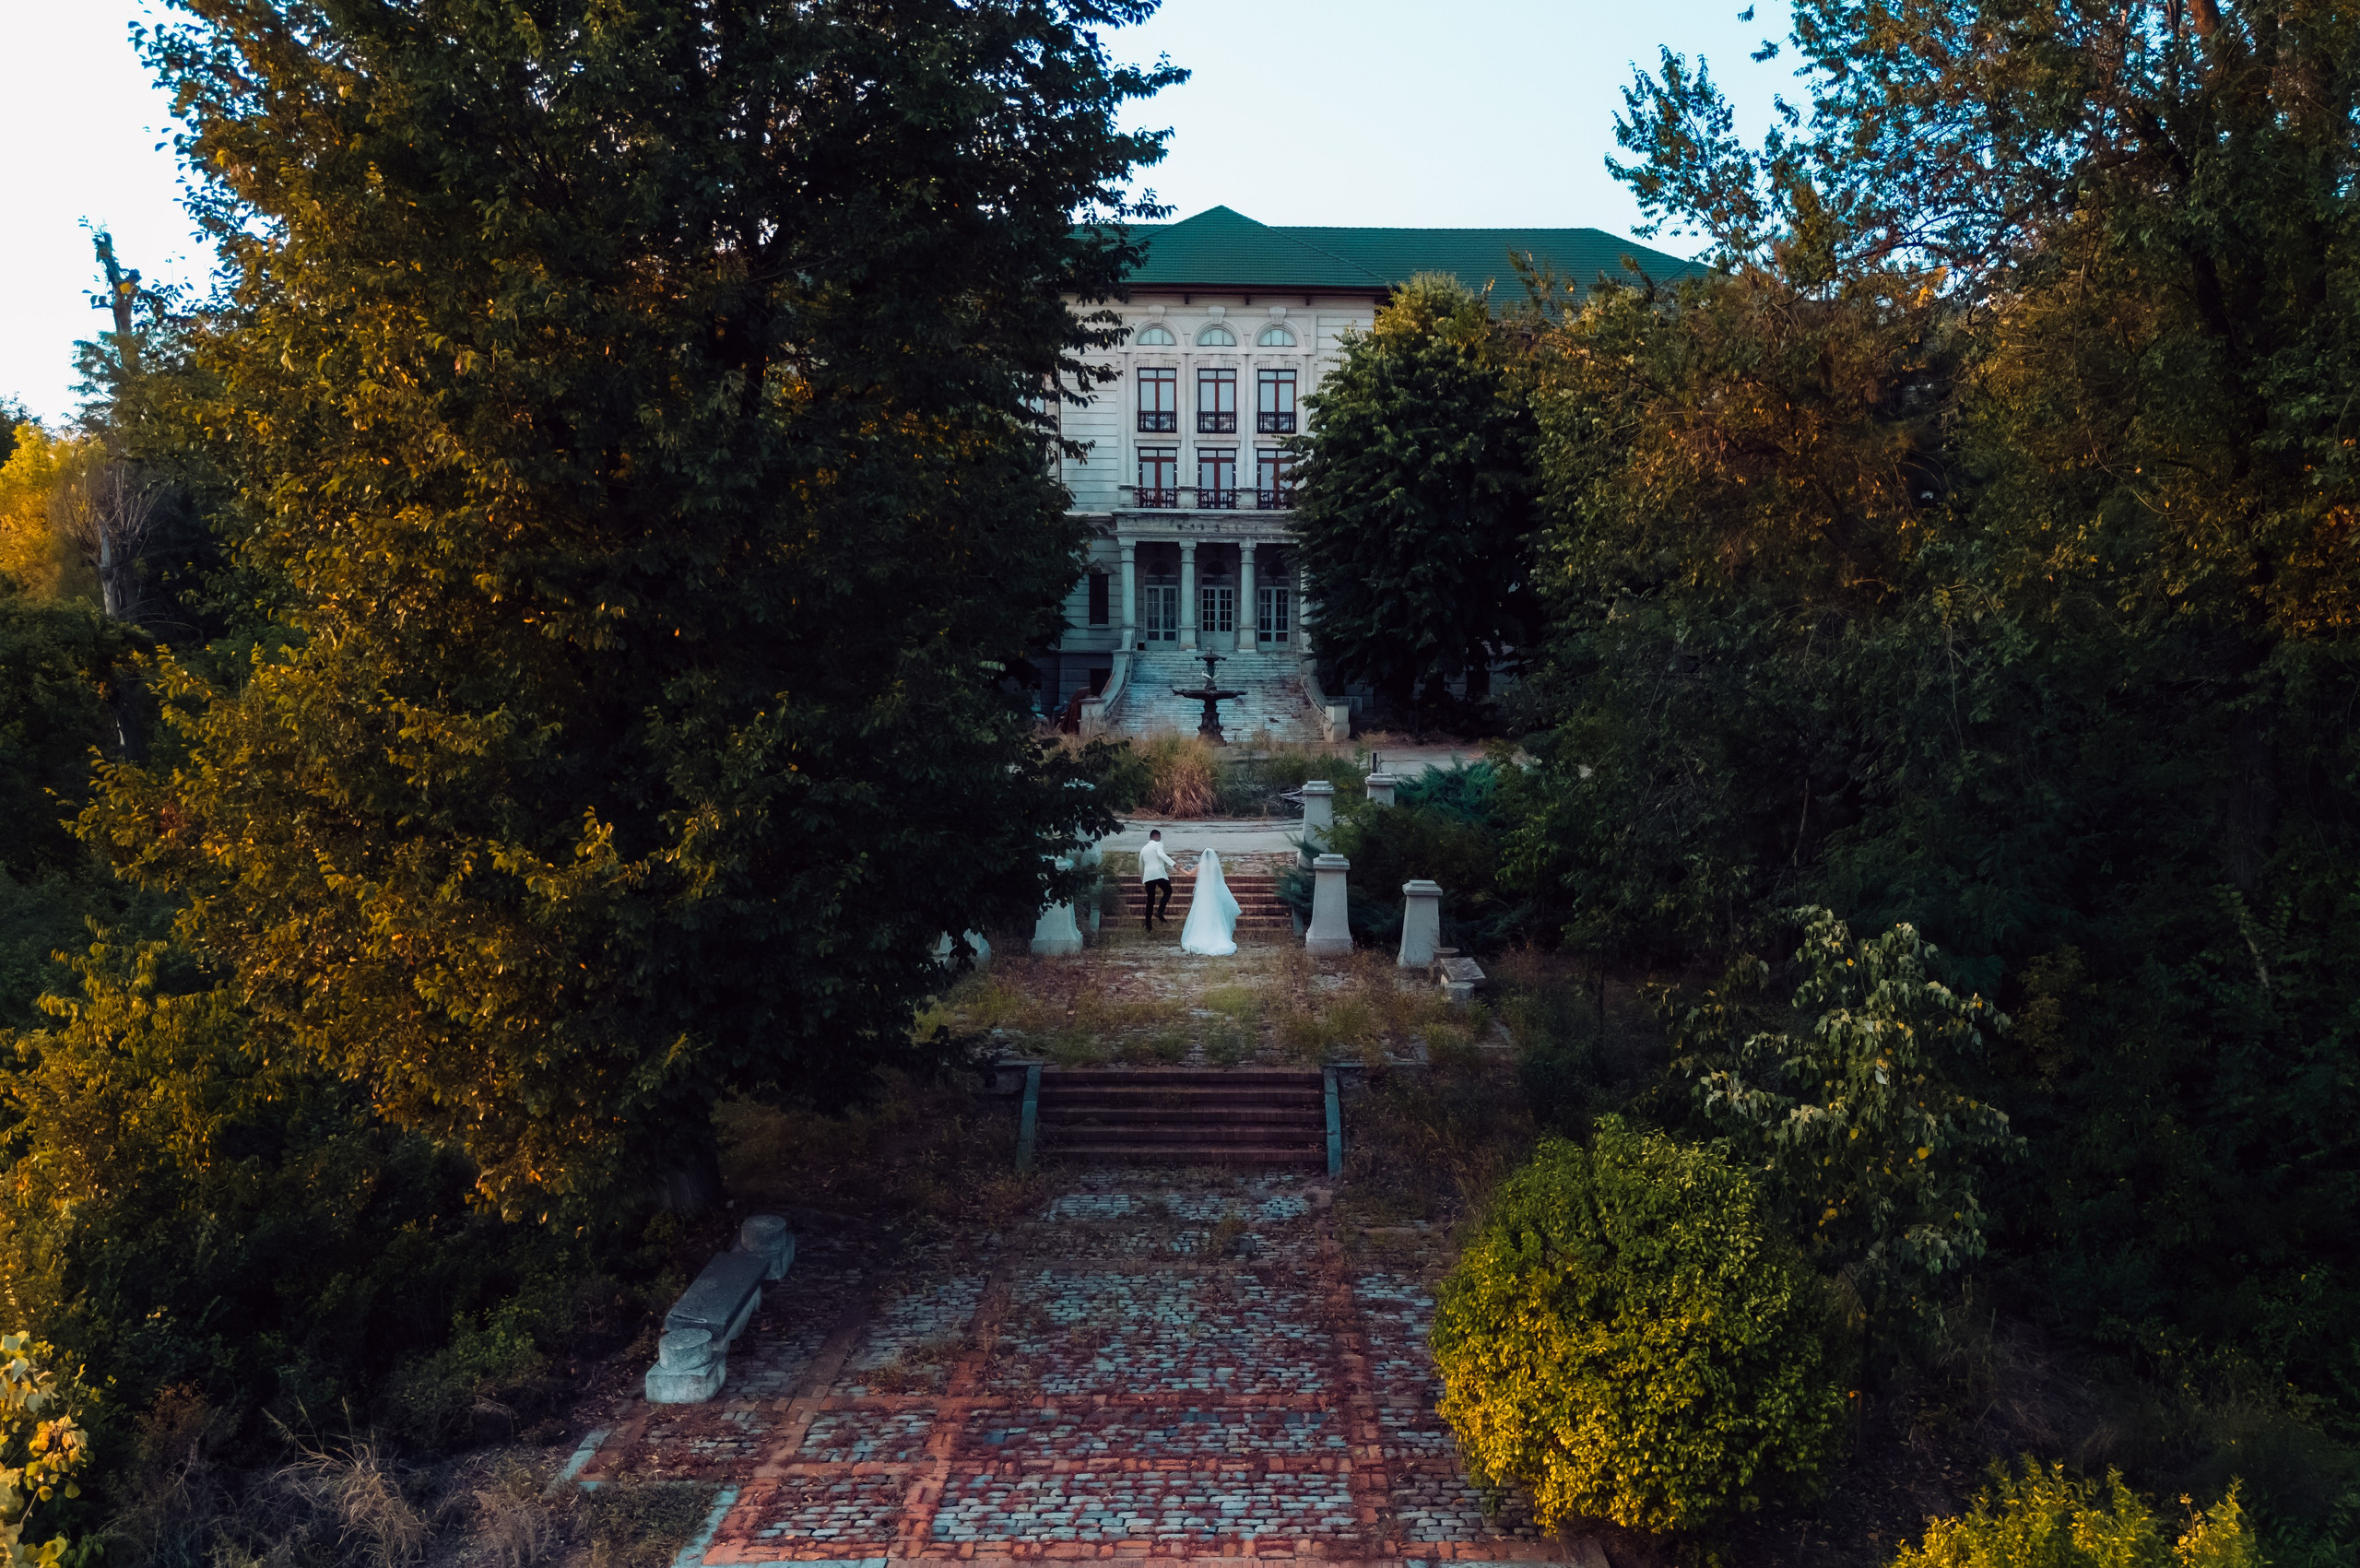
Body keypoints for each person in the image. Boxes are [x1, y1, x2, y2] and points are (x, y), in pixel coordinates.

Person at [1179, 847, 1240, 957]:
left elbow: (1189, 874)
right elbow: (1219, 881)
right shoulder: (1215, 867)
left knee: (1201, 915)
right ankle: (1216, 936)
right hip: (1213, 894)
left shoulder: (1200, 866)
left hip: (1203, 895)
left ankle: (1201, 937)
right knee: (1215, 915)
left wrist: (1180, 869)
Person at [1139, 830, 1175, 930]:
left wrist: (1143, 879)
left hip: (1148, 876)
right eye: (1159, 837)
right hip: (1158, 873)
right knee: (1168, 891)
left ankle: (1148, 925)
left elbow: (1140, 866)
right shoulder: (1158, 844)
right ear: (1156, 836)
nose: (1160, 839)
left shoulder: (1144, 849)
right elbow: (1161, 855)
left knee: (1150, 900)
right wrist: (1174, 864)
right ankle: (1160, 911)